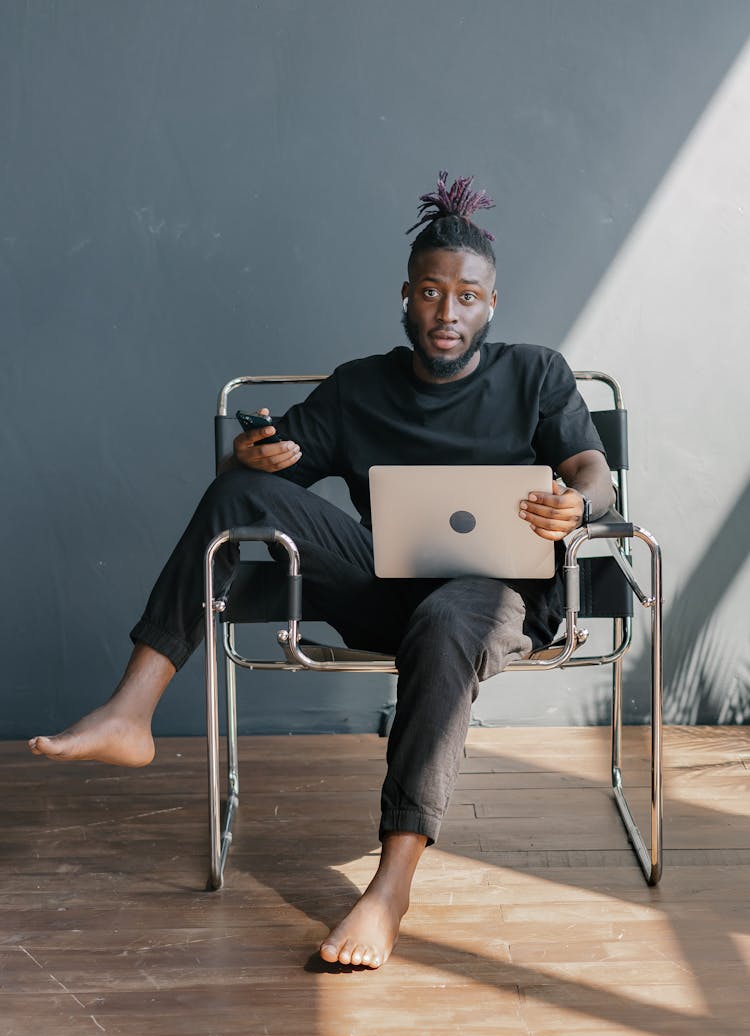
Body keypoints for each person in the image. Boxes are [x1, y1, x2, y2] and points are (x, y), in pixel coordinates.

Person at [29, 172, 614, 970]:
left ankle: (391, 885)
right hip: (384, 592)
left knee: (447, 621)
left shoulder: (536, 374)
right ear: (405, 297)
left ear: (492, 306)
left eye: (468, 297)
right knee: (238, 491)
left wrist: (577, 506)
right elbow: (272, 476)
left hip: (495, 598)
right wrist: (255, 455)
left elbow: (593, 471)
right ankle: (132, 711)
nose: (449, 313)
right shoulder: (358, 388)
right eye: (433, 294)